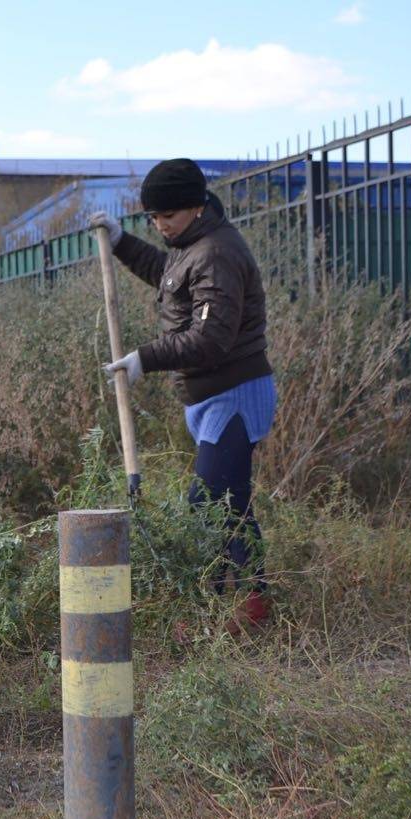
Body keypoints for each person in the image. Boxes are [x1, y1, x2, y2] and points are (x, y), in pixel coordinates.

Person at [95, 158, 276, 632]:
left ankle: (245, 608)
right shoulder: (191, 243)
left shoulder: (217, 251)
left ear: (195, 207)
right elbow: (166, 273)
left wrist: (145, 358)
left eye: (166, 217)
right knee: (226, 503)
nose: (159, 226)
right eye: (152, 218)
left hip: (234, 395)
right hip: (210, 398)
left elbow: (212, 337)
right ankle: (224, 605)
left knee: (213, 505)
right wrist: (120, 242)